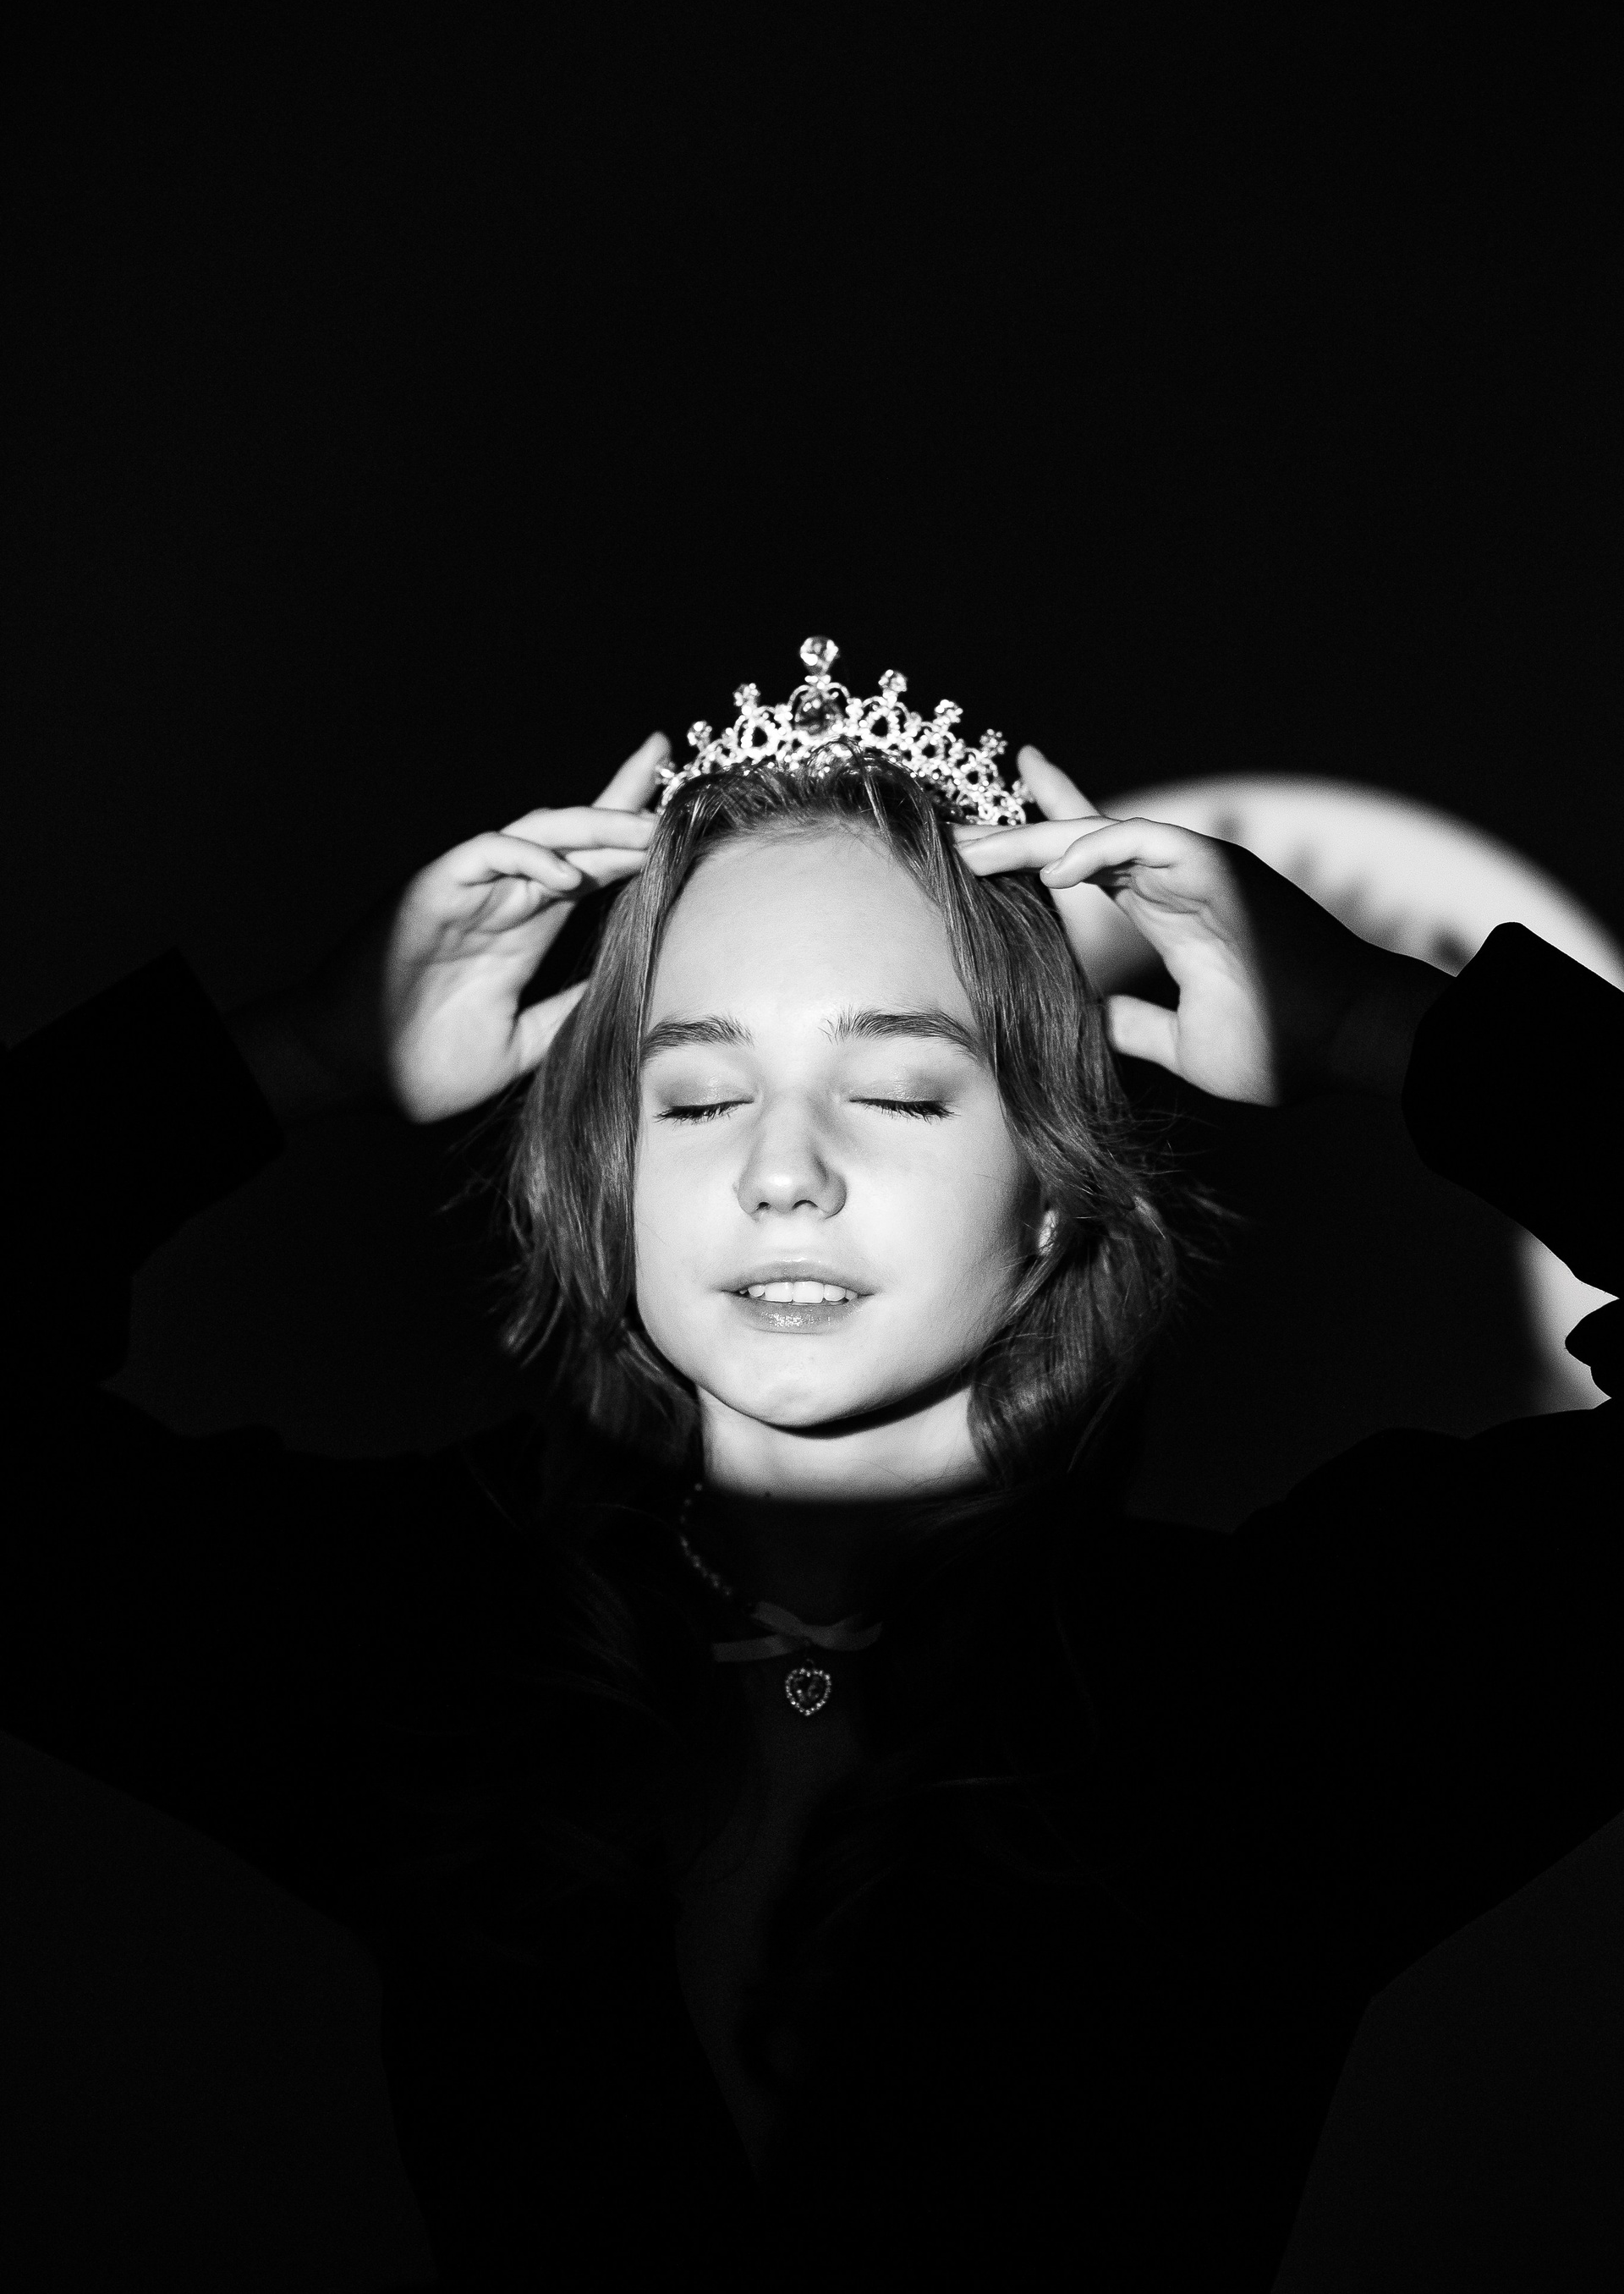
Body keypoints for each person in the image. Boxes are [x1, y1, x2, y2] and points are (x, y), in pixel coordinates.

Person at [3, 639, 1620, 2290]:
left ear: (1051, 1189)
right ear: (613, 1178)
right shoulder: (423, 1646)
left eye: (901, 1092)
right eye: (698, 1096)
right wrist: (295, 1053)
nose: (783, 1171)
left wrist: (1377, 1020)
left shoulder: (1279, 1693)